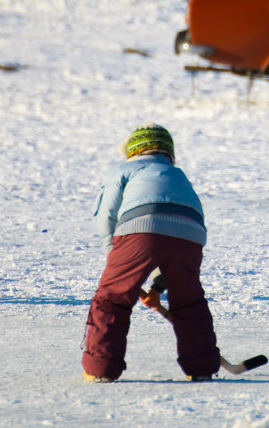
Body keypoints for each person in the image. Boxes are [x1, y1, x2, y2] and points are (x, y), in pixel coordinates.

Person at [82, 124, 220, 382]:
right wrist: (157, 287)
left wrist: (114, 254)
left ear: (133, 151)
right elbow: (171, 234)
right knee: (189, 301)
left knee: (112, 299)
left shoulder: (124, 170)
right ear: (169, 152)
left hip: (139, 229)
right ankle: (201, 368)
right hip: (191, 234)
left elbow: (106, 215)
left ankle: (99, 369)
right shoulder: (177, 174)